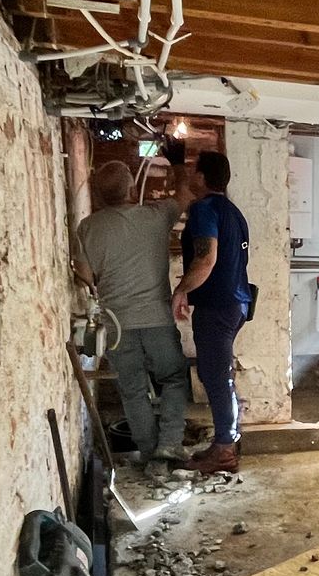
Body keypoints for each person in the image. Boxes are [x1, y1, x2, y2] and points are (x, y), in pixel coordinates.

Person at [74, 160, 187, 466]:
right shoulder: (157, 215)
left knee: (133, 389)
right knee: (174, 378)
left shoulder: (88, 227)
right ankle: (170, 444)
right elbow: (187, 194)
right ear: (133, 188)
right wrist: (176, 159)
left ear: (98, 194)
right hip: (157, 319)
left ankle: (150, 453)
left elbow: (85, 275)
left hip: (116, 325)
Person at [173, 150, 253, 475]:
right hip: (235, 304)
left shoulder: (205, 209)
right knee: (214, 373)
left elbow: (206, 259)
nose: (191, 176)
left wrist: (181, 290)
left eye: (193, 171)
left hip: (217, 306)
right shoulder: (234, 213)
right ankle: (223, 441)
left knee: (217, 377)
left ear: (204, 177)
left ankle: (224, 451)